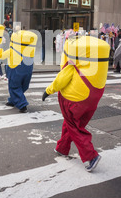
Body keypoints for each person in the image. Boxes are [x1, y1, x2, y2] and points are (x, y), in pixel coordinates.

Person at [42, 36, 110, 172]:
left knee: (75, 127)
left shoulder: (72, 65)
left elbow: (60, 80)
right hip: (92, 99)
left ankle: (90, 157)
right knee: (71, 124)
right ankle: (62, 148)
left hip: (73, 99)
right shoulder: (96, 67)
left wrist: (47, 91)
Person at [0, 30, 38, 113]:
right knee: (23, 86)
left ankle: (22, 104)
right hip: (28, 70)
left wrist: (0, 48)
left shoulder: (12, 50)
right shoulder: (31, 50)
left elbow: (1, 56)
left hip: (15, 70)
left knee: (14, 87)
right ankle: (12, 100)